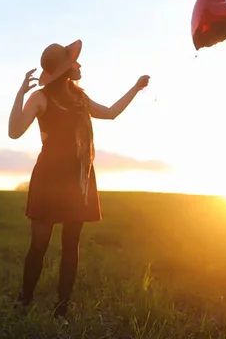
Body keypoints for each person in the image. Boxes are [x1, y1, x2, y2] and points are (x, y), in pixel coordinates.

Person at [8, 39, 150, 319]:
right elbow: (14, 132)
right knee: (39, 245)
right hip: (49, 178)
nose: (80, 63)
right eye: (74, 61)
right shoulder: (41, 98)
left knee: (71, 245)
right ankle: (23, 302)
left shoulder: (80, 99)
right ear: (64, 70)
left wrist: (135, 88)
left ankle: (62, 310)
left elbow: (109, 113)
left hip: (78, 178)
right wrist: (20, 94)